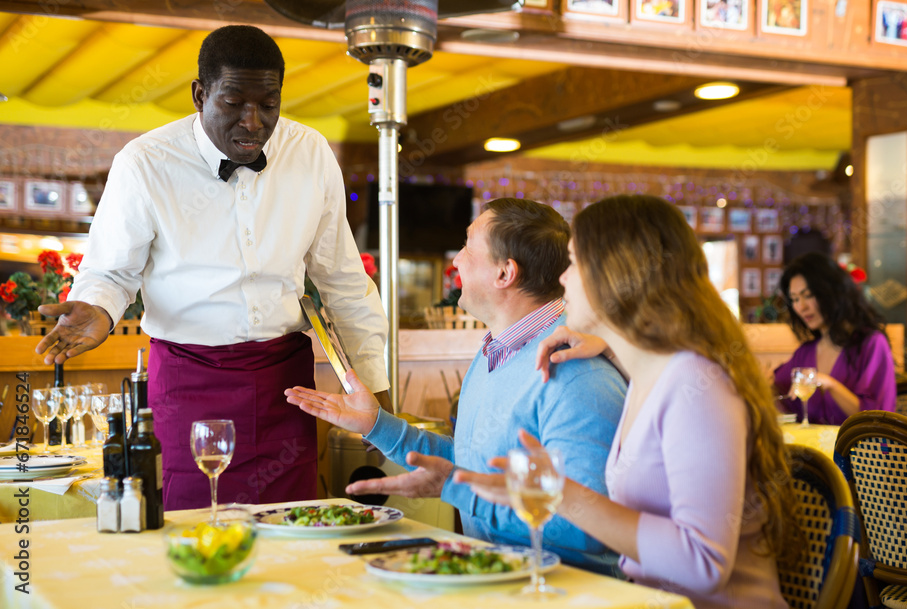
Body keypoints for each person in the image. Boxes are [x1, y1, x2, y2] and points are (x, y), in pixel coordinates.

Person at [34, 25, 390, 509]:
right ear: (200, 94)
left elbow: (344, 282)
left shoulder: (309, 154)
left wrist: (377, 388)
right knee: (194, 529)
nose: (253, 122)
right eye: (233, 103)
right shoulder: (145, 162)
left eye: (269, 104)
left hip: (285, 384)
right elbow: (112, 274)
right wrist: (99, 309)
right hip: (189, 380)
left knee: (293, 531)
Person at [454, 195, 800, 609]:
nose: (563, 279)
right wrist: (610, 345)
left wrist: (559, 494)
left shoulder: (695, 385)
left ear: (617, 276)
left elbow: (704, 564)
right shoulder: (647, 374)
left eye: (575, 263)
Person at [285, 198, 626, 574]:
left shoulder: (573, 371)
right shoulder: (494, 352)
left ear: (504, 273)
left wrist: (457, 490)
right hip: (495, 582)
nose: (456, 261)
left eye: (467, 247)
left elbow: (592, 527)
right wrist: (376, 424)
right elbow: (470, 465)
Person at [773, 252, 896, 425]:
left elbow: (877, 419)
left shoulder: (872, 344)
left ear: (831, 292)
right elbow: (778, 390)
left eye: (808, 295)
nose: (801, 307)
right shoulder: (805, 352)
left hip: (859, 451)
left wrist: (830, 384)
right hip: (812, 450)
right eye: (795, 299)